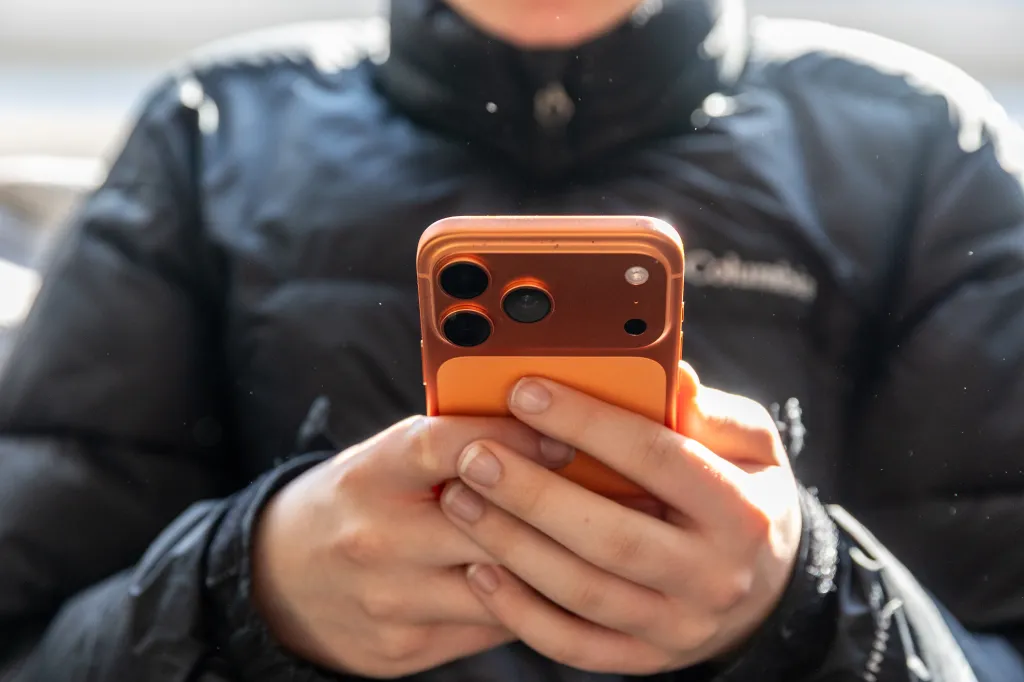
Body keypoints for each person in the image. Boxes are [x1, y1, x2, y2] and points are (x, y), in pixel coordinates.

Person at [0, 0, 1022, 680]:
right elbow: (26, 639)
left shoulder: (925, 148)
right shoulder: (209, 132)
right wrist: (244, 585)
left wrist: (807, 600)